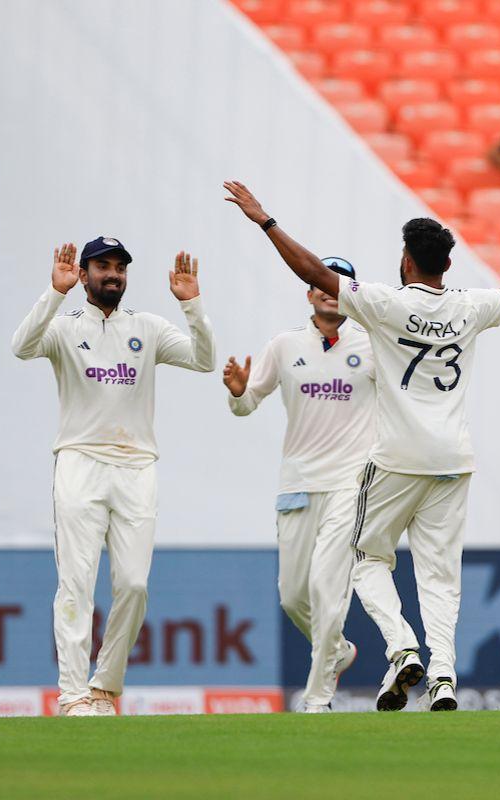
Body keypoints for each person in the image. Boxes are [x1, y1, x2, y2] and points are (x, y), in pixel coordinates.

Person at [224, 179, 500, 713]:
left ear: (407, 260)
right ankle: (443, 676)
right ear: (446, 263)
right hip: (453, 458)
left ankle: (401, 647)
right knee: (440, 575)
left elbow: (313, 272)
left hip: (397, 457)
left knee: (363, 558)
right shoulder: (470, 306)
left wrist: (266, 221)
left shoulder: (383, 304)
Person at [12, 237, 215, 717]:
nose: (113, 275)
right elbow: (21, 347)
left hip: (137, 465)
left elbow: (204, 360)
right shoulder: (63, 328)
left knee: (134, 584)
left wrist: (192, 305)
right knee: (77, 582)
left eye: (120, 268)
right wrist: (53, 293)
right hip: (80, 460)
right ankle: (73, 694)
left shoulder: (147, 327)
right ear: (83, 275)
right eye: (102, 266)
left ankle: (106, 684)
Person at [222, 256, 375, 714]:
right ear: (309, 293)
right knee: (293, 596)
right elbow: (248, 405)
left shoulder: (373, 343)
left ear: (351, 292)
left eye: (339, 283)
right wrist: (237, 391)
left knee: (328, 588)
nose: (329, 290)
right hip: (298, 483)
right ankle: (338, 651)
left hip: (351, 484)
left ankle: (318, 697)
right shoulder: (285, 345)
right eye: (320, 283)